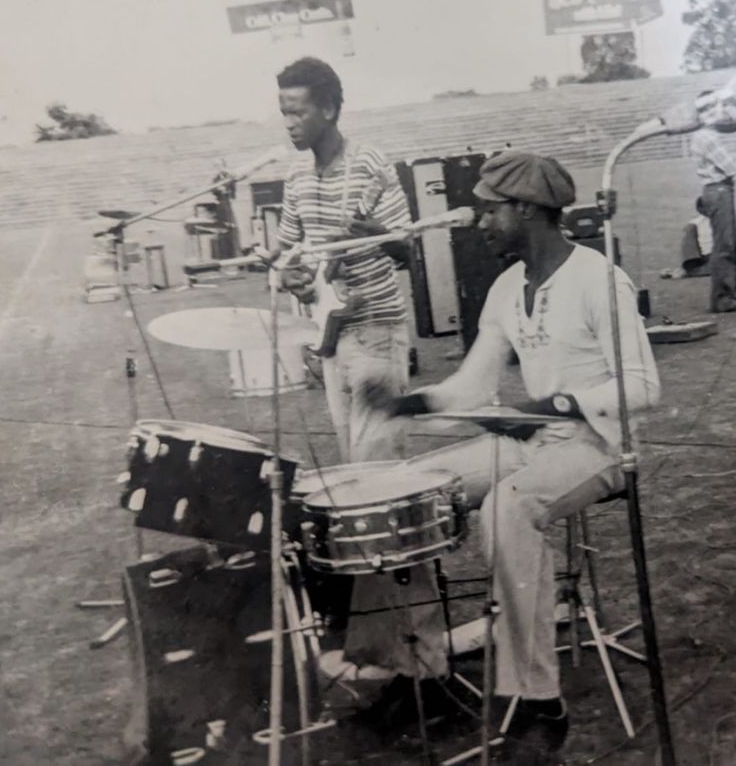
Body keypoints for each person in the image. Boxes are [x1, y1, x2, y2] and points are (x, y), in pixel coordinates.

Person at [365, 150, 661, 759]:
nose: (480, 223)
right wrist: (407, 404)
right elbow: (472, 388)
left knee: (507, 507)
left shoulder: (598, 278)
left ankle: (537, 703)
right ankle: (419, 670)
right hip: (529, 441)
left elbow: (643, 386)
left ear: (526, 210)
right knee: (402, 491)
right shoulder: (505, 287)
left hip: (598, 446)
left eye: (489, 211)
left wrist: (556, 405)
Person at [275, 57, 449, 709]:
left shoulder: (372, 165)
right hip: (331, 342)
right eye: (283, 109)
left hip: (377, 332)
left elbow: (408, 250)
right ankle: (386, 660)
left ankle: (424, 664)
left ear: (329, 108)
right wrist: (294, 276)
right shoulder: (296, 179)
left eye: (298, 109)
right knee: (358, 498)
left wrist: (375, 234)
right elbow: (290, 254)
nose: (288, 121)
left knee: (385, 495)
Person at [686, 93, 736, 312]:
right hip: (719, 189)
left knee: (724, 242)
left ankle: (725, 295)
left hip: (713, 190)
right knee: (725, 244)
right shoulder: (707, 137)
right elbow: (731, 167)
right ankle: (724, 297)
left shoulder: (700, 135)